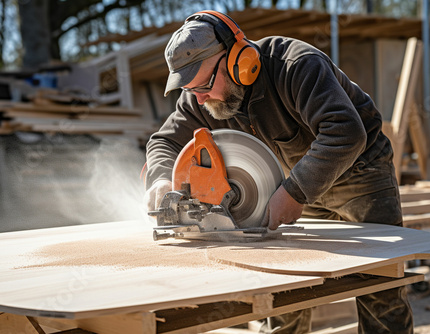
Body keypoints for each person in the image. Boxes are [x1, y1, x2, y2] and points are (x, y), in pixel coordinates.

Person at [143, 9, 413, 334]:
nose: (200, 100)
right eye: (192, 90)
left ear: (238, 62)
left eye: (204, 86)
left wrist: (294, 192)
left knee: (379, 286)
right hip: (296, 182)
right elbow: (163, 142)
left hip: (360, 176)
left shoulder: (296, 66)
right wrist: (159, 178)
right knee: (286, 286)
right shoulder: (201, 98)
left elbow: (346, 131)